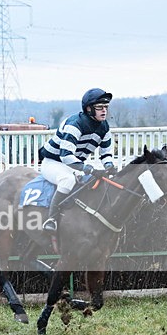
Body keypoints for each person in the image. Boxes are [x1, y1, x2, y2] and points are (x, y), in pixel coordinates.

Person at [39, 88, 117, 233]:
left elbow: (106, 153)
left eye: (106, 107)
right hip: (54, 162)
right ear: (89, 109)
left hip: (73, 165)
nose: (104, 110)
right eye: (99, 107)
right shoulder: (74, 124)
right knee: (67, 180)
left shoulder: (104, 127)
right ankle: (52, 219)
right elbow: (66, 156)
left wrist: (109, 165)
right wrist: (90, 169)